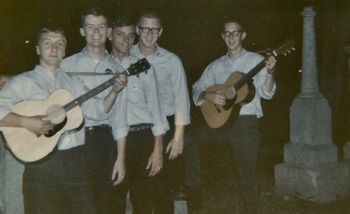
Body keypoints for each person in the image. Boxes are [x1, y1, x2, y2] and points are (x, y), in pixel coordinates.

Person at [0, 27, 126, 214]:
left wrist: (114, 91)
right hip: (41, 165)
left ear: (65, 50)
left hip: (75, 162)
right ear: (37, 49)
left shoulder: (73, 83)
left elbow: (97, 111)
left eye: (60, 44)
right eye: (47, 43)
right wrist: (26, 122)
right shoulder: (23, 82)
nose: (54, 49)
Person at [191, 19, 277, 213]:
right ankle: (193, 197)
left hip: (246, 124)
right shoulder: (215, 66)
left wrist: (271, 71)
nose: (231, 37)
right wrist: (207, 94)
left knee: (246, 178)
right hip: (219, 124)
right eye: (227, 33)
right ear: (222, 37)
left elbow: (267, 93)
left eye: (235, 33)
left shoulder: (256, 61)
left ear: (243, 35)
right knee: (189, 139)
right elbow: (196, 88)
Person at [60, 8, 123, 214]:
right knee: (73, 204)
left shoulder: (119, 68)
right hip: (73, 139)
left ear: (108, 32)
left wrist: (120, 157)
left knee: (103, 202)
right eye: (90, 26)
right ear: (81, 31)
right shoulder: (65, 64)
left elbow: (121, 116)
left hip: (105, 141)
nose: (96, 32)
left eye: (101, 26)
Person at [107, 16, 172, 213]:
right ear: (110, 34)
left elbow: (157, 110)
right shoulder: (100, 65)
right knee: (112, 200)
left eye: (130, 36)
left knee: (144, 201)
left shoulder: (143, 66)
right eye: (120, 34)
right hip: (110, 140)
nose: (125, 41)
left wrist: (157, 150)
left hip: (142, 139)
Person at [130, 10, 191, 204]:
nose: (149, 34)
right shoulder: (126, 56)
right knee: (139, 190)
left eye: (154, 29)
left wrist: (178, 137)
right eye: (145, 28)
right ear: (137, 30)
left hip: (166, 126)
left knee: (163, 192)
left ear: (161, 32)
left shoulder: (172, 60)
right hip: (138, 129)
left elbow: (182, 99)